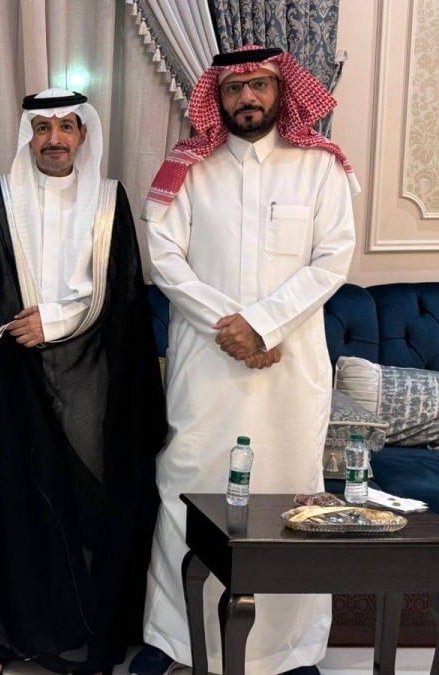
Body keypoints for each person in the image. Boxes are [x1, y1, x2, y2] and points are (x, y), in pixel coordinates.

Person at [133, 46, 359, 675]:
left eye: (259, 85)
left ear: (282, 90)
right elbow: (166, 260)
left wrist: (263, 325)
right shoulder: (188, 169)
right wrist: (235, 327)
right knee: (187, 490)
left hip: (291, 371)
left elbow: (333, 261)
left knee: (292, 499)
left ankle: (290, 650)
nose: (247, 98)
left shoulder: (321, 167)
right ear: (218, 97)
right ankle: (177, 644)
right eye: (234, 89)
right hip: (207, 369)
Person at [0, 89, 167, 675]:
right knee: (15, 505)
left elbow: (124, 295)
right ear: (28, 137)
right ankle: (3, 638)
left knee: (86, 506)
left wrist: (57, 321)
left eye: (66, 127)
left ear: (84, 136)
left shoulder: (110, 202)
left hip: (93, 379)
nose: (54, 139)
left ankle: (83, 642)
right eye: (42, 128)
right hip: (10, 378)